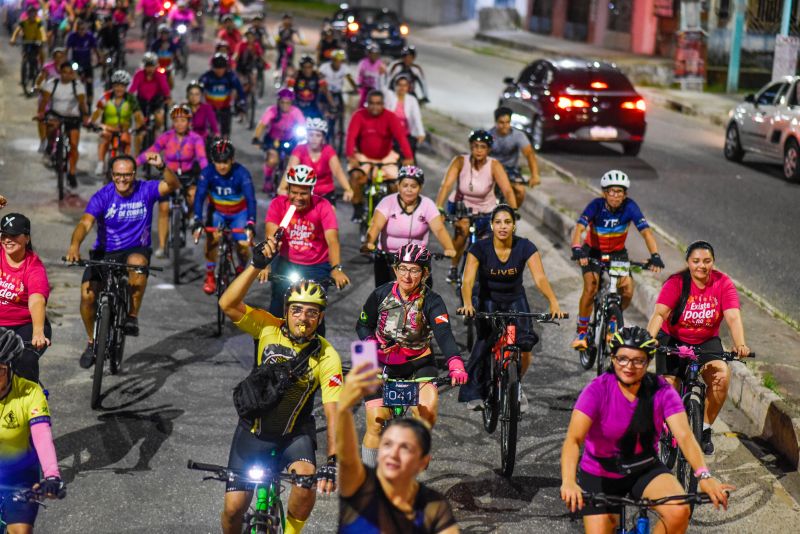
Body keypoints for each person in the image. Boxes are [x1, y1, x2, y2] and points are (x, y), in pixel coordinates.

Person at [560, 327, 734, 534]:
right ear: (613, 358)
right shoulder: (597, 390)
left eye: (638, 360)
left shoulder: (661, 390)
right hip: (601, 473)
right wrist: (569, 481)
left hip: (644, 467)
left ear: (648, 361)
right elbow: (573, 440)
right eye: (622, 359)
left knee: (679, 511)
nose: (629, 366)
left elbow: (685, 436)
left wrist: (704, 476)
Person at [218, 268, 341, 534]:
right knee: (232, 510)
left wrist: (331, 462)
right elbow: (227, 303)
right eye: (296, 310)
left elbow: (334, 413)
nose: (303, 319)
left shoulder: (328, 356)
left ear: (320, 318)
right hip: (252, 433)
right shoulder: (266, 326)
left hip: (293, 436)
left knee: (305, 484)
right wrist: (254, 265)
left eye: (311, 312)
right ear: (285, 311)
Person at [355, 243, 467, 468]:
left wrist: (455, 363)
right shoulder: (380, 294)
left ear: (425, 273)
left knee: (427, 412)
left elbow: (443, 334)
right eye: (403, 268)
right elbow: (362, 325)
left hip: (418, 364)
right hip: (381, 362)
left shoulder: (433, 301)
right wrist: (370, 343)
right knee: (375, 423)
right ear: (395, 270)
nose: (407, 275)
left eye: (415, 270)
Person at [65, 154, 180, 368]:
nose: (122, 180)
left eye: (127, 175)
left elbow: (173, 184)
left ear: (134, 175)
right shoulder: (102, 196)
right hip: (104, 252)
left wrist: (163, 166)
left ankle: (131, 316)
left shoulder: (146, 189)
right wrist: (75, 245)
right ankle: (92, 341)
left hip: (135, 247)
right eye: (117, 175)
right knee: (87, 296)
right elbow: (85, 223)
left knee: (138, 264)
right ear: (111, 175)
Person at [457, 204, 564, 412]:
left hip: (515, 298)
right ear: (491, 225)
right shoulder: (479, 248)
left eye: (507, 222)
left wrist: (554, 302)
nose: (502, 226)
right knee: (484, 342)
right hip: (488, 298)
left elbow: (540, 278)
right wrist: (468, 303)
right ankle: (476, 392)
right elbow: (467, 281)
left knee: (524, 344)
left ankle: (516, 386)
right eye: (498, 222)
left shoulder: (525, 247)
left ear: (514, 226)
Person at [646, 240, 750, 455]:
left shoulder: (723, 283)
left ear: (713, 262)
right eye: (696, 261)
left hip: (705, 341)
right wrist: (647, 340)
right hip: (673, 339)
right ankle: (668, 430)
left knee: (722, 375)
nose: (701, 266)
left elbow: (733, 317)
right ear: (688, 262)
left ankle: (703, 428)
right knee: (669, 387)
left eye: (707, 261)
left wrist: (740, 343)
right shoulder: (676, 282)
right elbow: (659, 314)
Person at [336, 366, 459, 533]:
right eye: (387, 444)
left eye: (405, 448)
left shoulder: (435, 508)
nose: (393, 454)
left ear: (423, 461)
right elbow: (347, 457)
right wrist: (343, 408)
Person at [570, 170, 664, 350]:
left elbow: (646, 232)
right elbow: (580, 227)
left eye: (619, 191)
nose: (615, 195)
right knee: (591, 287)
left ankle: (613, 319)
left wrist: (655, 255)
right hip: (592, 252)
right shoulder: (596, 205)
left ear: (625, 194)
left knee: (627, 290)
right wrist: (576, 248)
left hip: (617, 254)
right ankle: (581, 331)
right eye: (611, 191)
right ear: (604, 193)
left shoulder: (630, 207)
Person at [263, 165, 349, 330]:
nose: (298, 197)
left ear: (311, 191)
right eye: (294, 192)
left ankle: (317, 352)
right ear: (287, 190)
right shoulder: (278, 205)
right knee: (275, 311)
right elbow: (271, 238)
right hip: (286, 263)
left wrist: (336, 268)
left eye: (303, 193)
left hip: (316, 266)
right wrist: (265, 266)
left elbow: (332, 240)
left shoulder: (323, 206)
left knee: (314, 314)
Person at [0, 328, 66, 533]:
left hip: (18, 474)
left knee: (21, 531)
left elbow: (42, 437)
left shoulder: (31, 392)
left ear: (10, 367)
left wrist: (52, 476)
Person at [434, 130, 517, 284]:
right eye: (476, 146)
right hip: (462, 205)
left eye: (483, 147)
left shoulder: (494, 165)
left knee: (489, 242)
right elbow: (446, 185)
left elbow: (507, 190)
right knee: (462, 231)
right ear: (471, 147)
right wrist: (438, 207)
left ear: (489, 149)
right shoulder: (460, 161)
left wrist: (513, 211)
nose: (479, 150)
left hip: (486, 209)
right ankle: (453, 267)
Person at [362, 166, 454, 287]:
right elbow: (375, 226)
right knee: (380, 298)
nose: (408, 190)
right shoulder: (387, 202)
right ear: (398, 185)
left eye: (413, 186)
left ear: (420, 187)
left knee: (425, 297)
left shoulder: (427, 205)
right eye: (405, 185)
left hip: (417, 260)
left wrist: (449, 247)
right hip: (387, 259)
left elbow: (439, 229)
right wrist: (369, 242)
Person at [139, 104, 208, 259]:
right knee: (163, 209)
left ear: (189, 122)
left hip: (188, 176)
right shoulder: (167, 136)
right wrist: (133, 163)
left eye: (183, 120)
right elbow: (151, 151)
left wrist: (207, 174)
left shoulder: (196, 138)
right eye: (176, 120)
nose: (179, 124)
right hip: (169, 177)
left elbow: (202, 159)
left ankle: (191, 216)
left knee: (194, 195)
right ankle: (163, 247)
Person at [192, 139, 255, 295]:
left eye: (225, 162)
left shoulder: (242, 173)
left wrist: (251, 222)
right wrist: (197, 220)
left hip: (238, 214)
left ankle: (240, 270)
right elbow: (199, 197)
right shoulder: (207, 173)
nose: (222, 166)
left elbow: (250, 199)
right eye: (218, 162)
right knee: (212, 239)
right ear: (213, 161)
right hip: (218, 213)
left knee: (243, 245)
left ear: (232, 160)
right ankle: (210, 275)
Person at [346, 90, 414, 223]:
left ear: (383, 104)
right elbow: (351, 137)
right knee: (355, 177)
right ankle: (358, 208)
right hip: (364, 157)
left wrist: (408, 157)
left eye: (378, 104)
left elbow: (401, 138)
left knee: (396, 184)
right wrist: (351, 157)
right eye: (371, 103)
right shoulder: (359, 116)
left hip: (385, 158)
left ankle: (392, 212)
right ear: (367, 104)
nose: (375, 107)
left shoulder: (391, 117)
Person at [0, 214, 51, 384]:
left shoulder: (34, 267)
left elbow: (36, 300)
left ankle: (33, 403)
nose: (7, 239)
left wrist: (38, 331)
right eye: (4, 235)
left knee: (24, 361)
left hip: (25, 326)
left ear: (27, 238)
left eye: (14, 235)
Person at [277, 117, 353, 205]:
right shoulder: (300, 149)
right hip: (303, 193)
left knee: (330, 216)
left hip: (325, 194)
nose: (314, 139)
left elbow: (337, 171)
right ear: (307, 136)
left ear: (323, 138)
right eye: (311, 135)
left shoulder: (328, 150)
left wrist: (348, 189)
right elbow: (290, 170)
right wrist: (282, 187)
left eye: (318, 135)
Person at [38, 61, 90, 190]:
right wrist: (41, 113)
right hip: (55, 115)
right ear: (60, 72)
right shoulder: (51, 84)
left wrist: (85, 116)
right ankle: (50, 145)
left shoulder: (77, 86)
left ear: (73, 73)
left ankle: (72, 173)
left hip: (72, 117)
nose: (67, 75)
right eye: (64, 72)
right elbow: (44, 101)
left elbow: (82, 102)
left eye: (70, 73)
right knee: (50, 127)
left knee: (73, 145)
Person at [90, 70, 145, 176]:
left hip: (124, 129)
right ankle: (101, 163)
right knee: (104, 138)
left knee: (126, 143)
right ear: (112, 86)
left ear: (126, 87)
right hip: (108, 127)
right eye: (116, 86)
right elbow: (97, 112)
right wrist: (91, 122)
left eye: (122, 86)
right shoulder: (106, 97)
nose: (119, 89)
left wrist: (140, 125)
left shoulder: (131, 99)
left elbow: (138, 114)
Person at [251, 88, 306, 195]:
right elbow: (262, 125)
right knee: (272, 160)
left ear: (291, 103)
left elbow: (303, 125)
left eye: (288, 103)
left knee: (295, 162)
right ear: (278, 102)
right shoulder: (272, 111)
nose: (285, 105)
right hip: (273, 139)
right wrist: (256, 137)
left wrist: (303, 138)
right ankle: (268, 179)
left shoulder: (296, 112)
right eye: (282, 102)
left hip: (291, 140)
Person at [490, 107, 540, 207]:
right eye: (501, 122)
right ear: (496, 122)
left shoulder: (518, 136)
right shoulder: (489, 136)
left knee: (520, 191)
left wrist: (534, 175)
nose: (505, 126)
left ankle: (512, 215)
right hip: (492, 170)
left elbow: (529, 154)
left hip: (510, 171)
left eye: (507, 122)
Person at [129, 52, 173, 152]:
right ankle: (137, 155)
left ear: (155, 66)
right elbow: (132, 89)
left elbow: (165, 88)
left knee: (159, 118)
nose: (150, 69)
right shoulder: (139, 74)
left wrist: (168, 98)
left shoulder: (159, 75)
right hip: (142, 102)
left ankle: (157, 132)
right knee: (139, 126)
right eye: (147, 66)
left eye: (152, 66)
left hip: (156, 101)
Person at [198, 53, 246, 137]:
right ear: (213, 67)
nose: (219, 71)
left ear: (226, 68)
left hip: (225, 108)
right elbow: (198, 90)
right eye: (217, 68)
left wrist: (242, 103)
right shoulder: (206, 77)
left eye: (222, 68)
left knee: (225, 134)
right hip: (210, 109)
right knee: (207, 133)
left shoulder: (231, 77)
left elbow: (240, 90)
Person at [33, 47, 67, 154]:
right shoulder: (48, 68)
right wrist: (37, 86)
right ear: (53, 58)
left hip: (62, 98)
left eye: (61, 57)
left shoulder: (68, 68)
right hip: (47, 98)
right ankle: (43, 141)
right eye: (57, 57)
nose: (59, 59)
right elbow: (40, 79)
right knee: (42, 118)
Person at [384, 74, 425, 157]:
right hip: (391, 135)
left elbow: (417, 117)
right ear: (395, 86)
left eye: (405, 85)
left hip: (406, 135)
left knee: (409, 160)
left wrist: (421, 133)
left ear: (408, 87)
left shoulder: (412, 100)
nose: (402, 88)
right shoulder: (390, 97)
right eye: (399, 85)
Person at [287, 55, 334, 119]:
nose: (307, 70)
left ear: (312, 67)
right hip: (298, 107)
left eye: (309, 67)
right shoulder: (296, 76)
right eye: (304, 67)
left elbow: (326, 92)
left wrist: (333, 105)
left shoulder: (318, 76)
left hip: (314, 107)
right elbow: (288, 91)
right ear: (301, 67)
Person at [64, 18, 99, 105]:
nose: (81, 31)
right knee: (74, 81)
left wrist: (99, 59)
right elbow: (67, 50)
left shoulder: (90, 36)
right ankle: (73, 98)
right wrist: (64, 60)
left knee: (89, 83)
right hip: (75, 63)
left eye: (83, 29)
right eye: (79, 29)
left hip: (87, 63)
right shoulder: (72, 36)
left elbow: (95, 49)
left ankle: (89, 103)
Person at [232, 28, 266, 98]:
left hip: (251, 67)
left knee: (253, 78)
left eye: (252, 36)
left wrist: (264, 62)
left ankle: (252, 93)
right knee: (239, 82)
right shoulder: (241, 44)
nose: (250, 38)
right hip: (241, 67)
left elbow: (260, 55)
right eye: (248, 36)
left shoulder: (256, 45)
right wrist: (233, 59)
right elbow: (236, 54)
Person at [9, 5, 46, 70]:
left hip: (37, 41)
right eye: (30, 13)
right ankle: (24, 68)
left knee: (40, 52)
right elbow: (17, 31)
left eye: (33, 13)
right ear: (28, 14)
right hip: (26, 41)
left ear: (36, 14)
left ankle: (42, 66)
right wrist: (13, 38)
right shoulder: (24, 22)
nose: (32, 14)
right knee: (24, 55)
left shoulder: (39, 22)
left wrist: (44, 38)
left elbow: (42, 30)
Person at [356, 43, 385, 107]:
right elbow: (358, 75)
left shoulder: (381, 64)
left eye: (376, 54)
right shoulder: (363, 63)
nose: (374, 56)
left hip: (375, 88)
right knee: (360, 101)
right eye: (372, 54)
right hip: (364, 88)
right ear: (368, 54)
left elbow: (382, 78)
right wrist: (358, 84)